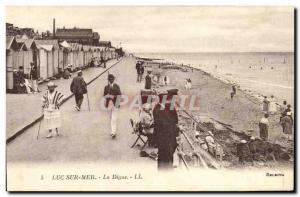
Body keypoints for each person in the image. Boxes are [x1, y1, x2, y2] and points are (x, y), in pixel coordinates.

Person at [153, 89, 179, 170]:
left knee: (164, 156)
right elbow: (167, 124)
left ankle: (165, 169)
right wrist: (176, 129)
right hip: (164, 139)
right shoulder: (160, 110)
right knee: (166, 155)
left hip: (163, 138)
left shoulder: (159, 108)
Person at [103, 74, 122, 139]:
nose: (111, 80)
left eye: (112, 79)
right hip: (109, 104)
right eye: (110, 79)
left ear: (114, 79)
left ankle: (113, 132)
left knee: (114, 119)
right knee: (111, 118)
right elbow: (104, 95)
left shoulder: (117, 86)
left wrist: (113, 97)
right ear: (108, 80)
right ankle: (112, 131)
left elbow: (119, 95)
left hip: (115, 104)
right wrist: (107, 95)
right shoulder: (106, 87)